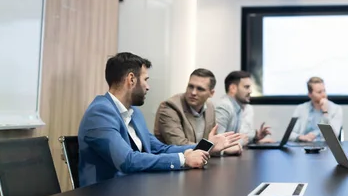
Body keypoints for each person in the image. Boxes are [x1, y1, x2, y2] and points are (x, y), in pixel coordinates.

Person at [78, 53, 238, 187]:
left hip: (132, 191)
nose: (148, 87)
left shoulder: (134, 114)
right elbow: (126, 161)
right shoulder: (100, 113)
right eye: (146, 79)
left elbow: (160, 149)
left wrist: (207, 146)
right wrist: (183, 159)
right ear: (131, 80)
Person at [154, 68, 242, 155]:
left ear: (211, 93)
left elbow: (212, 140)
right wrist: (221, 149)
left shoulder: (210, 107)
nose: (193, 92)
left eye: (200, 89)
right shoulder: (170, 107)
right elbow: (179, 145)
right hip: (173, 165)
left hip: (199, 163)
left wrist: (224, 145)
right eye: (190, 86)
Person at [214, 71, 272, 146]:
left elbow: (241, 136)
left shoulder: (237, 107)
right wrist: (240, 142)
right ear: (233, 88)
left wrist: (256, 137)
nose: (250, 91)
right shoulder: (224, 107)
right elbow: (217, 143)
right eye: (246, 87)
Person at [289, 77, 343, 142]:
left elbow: (333, 137)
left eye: (324, 91)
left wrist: (325, 112)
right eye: (319, 92)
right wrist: (301, 137)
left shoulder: (336, 109)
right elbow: (290, 134)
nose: (323, 95)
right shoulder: (301, 108)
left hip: (326, 148)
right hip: (303, 147)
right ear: (310, 94)